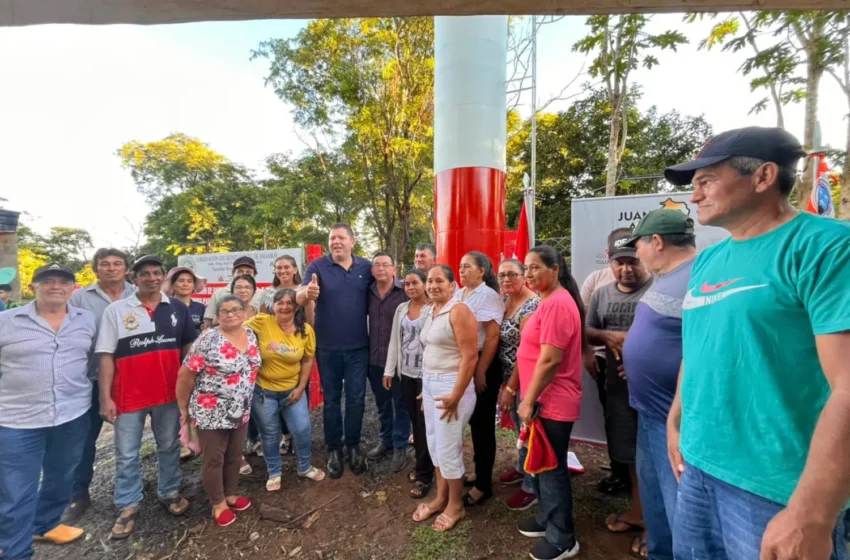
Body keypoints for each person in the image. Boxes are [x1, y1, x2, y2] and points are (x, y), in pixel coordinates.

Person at [665, 127, 850, 559]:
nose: (695, 197)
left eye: (707, 181)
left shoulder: (826, 247)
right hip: (697, 468)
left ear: (764, 176)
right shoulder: (709, 258)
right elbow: (699, 348)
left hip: (776, 488)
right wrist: (677, 421)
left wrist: (812, 515)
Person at [96, 255, 198, 540]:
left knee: (168, 445)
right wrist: (105, 397)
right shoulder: (116, 311)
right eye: (145, 274)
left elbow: (188, 346)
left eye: (156, 273)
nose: (151, 278)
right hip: (129, 395)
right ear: (134, 278)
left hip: (168, 393)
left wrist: (188, 387)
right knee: (127, 453)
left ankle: (169, 491)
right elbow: (105, 355)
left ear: (163, 276)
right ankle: (128, 503)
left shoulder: (176, 307)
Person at [0, 263, 97, 558]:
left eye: (63, 281)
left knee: (62, 475)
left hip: (72, 414)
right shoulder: (7, 321)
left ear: (72, 288)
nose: (56, 286)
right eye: (48, 281)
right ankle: (16, 551)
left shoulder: (87, 321)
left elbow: (92, 361)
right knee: (17, 490)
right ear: (33, 287)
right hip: (17, 419)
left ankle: (46, 523)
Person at [619, 209, 697, 560]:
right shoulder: (665, 276)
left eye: (639, 245)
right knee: (654, 496)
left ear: (658, 242)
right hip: (649, 412)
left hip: (676, 419)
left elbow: (701, 350)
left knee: (680, 504)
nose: (637, 254)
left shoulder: (700, 276)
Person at [514, 246, 586, 560]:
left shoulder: (558, 303)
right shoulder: (546, 301)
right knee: (540, 465)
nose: (528, 274)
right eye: (526, 269)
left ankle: (562, 538)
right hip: (541, 400)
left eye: (535, 268)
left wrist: (528, 400)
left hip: (551, 402)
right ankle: (546, 520)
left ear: (555, 269)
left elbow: (551, 360)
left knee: (551, 468)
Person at [586, 239, 652, 555]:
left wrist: (641, 357)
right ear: (610, 262)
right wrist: (607, 336)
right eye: (620, 262)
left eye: (633, 262)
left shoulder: (661, 290)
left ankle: (658, 528)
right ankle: (639, 513)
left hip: (656, 390)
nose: (626, 269)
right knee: (629, 455)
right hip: (618, 389)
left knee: (656, 459)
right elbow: (588, 331)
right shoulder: (602, 293)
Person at [61, 248, 136, 526]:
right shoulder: (80, 298)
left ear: (126, 269)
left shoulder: (136, 293)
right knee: (83, 439)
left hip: (133, 377)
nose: (111, 268)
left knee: (138, 437)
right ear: (95, 269)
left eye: (117, 263)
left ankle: (138, 490)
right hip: (90, 378)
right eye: (105, 264)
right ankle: (78, 493)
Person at [176, 295, 260, 526]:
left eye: (235, 310)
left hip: (240, 409)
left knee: (235, 454)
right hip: (210, 410)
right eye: (224, 311)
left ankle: (231, 494)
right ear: (218, 315)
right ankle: (218, 503)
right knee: (214, 458)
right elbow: (185, 375)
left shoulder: (251, 335)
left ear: (245, 313)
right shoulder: (208, 339)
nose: (230, 314)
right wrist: (183, 408)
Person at [298, 223, 373, 478]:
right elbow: (300, 295)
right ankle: (333, 449)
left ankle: (352, 445)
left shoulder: (366, 267)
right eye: (332, 238)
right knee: (331, 400)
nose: (336, 242)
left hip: (358, 347)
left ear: (353, 241)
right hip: (327, 347)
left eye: (341, 238)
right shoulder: (317, 267)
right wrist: (307, 293)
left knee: (355, 399)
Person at [411, 265, 479, 532]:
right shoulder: (432, 310)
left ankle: (455, 505)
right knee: (435, 445)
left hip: (452, 386)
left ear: (453, 285)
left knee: (449, 449)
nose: (433, 285)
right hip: (431, 385)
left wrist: (456, 394)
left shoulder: (459, 310)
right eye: (430, 280)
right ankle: (440, 497)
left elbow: (470, 356)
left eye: (440, 280)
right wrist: (426, 388)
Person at [248, 289, 325, 490]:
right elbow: (235, 329)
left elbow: (308, 360)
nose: (284, 306)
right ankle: (274, 472)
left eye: (289, 303)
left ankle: (305, 466)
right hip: (264, 391)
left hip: (293, 390)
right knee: (270, 433)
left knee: (302, 429)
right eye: (280, 302)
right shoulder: (262, 322)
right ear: (273, 305)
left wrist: (301, 388)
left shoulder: (306, 330)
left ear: (296, 306)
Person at [454, 251, 505, 506]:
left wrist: (481, 370)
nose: (461, 271)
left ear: (481, 271)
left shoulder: (489, 296)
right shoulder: (459, 294)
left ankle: (484, 485)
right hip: (465, 362)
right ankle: (477, 471)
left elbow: (493, 336)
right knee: (473, 421)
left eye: (467, 267)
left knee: (483, 425)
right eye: (460, 267)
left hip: (483, 363)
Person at [579, 229, 623, 492]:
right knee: (613, 417)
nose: (626, 268)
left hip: (642, 366)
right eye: (618, 259)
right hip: (604, 363)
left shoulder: (650, 277)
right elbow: (580, 322)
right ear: (608, 254)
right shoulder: (596, 279)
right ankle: (619, 471)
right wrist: (587, 354)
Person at [385, 269, 434, 498]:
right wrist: (389, 370)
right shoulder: (401, 309)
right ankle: (424, 465)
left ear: (425, 285)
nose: (411, 288)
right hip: (406, 374)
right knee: (415, 422)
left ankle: (425, 475)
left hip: (427, 376)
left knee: (425, 425)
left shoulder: (433, 309)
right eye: (407, 284)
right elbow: (395, 340)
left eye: (416, 283)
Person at [496, 258, 540, 511]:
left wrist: (511, 389)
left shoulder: (532, 305)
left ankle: (531, 487)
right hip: (509, 377)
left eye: (512, 274)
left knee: (530, 431)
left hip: (526, 379)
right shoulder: (504, 301)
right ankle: (522, 468)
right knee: (520, 429)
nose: (505, 280)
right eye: (501, 275)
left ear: (524, 275)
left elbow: (526, 351)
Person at [366, 253, 411, 472]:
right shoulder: (368, 292)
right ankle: (386, 441)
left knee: (400, 404)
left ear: (394, 269)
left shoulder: (405, 292)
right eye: (377, 265)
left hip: (400, 362)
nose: (381, 268)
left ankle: (401, 445)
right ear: (372, 270)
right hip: (375, 359)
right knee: (382, 404)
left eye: (386, 265)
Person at [202, 256, 263, 330]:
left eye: (248, 272)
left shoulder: (262, 295)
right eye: (240, 271)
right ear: (233, 273)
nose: (244, 274)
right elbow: (209, 320)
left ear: (254, 275)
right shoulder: (219, 293)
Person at [163, 266, 207, 334]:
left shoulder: (201, 307)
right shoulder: (164, 306)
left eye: (189, 281)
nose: (185, 284)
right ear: (172, 284)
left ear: (194, 286)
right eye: (181, 281)